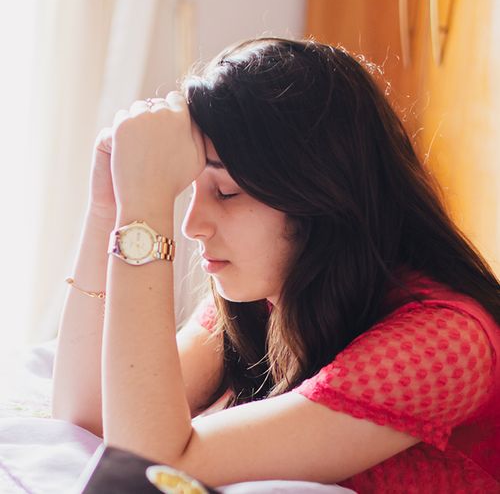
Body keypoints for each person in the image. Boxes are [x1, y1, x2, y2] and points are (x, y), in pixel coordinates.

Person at [52, 37, 500, 492]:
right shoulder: (273, 293)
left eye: (226, 193)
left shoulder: (446, 341)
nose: (192, 225)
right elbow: (87, 417)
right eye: (193, 189)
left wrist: (145, 208)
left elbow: (149, 466)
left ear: (317, 196)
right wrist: (106, 205)